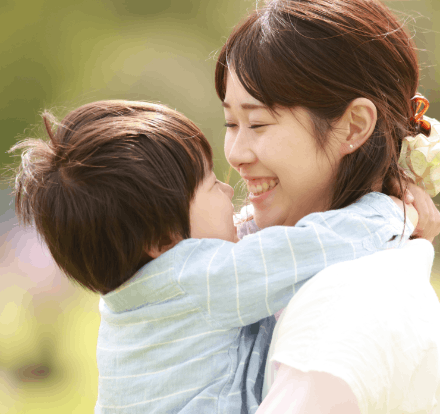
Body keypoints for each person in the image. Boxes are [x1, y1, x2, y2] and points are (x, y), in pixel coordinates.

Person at [9, 100, 420, 414]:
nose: (228, 190)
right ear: (163, 236)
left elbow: (243, 242)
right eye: (208, 183)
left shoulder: (141, 290)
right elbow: (304, 250)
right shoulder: (193, 281)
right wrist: (393, 209)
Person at [214, 0, 440, 412]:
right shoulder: (374, 265)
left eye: (258, 123)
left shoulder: (342, 311)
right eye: (231, 123)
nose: (235, 153)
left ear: (353, 126)